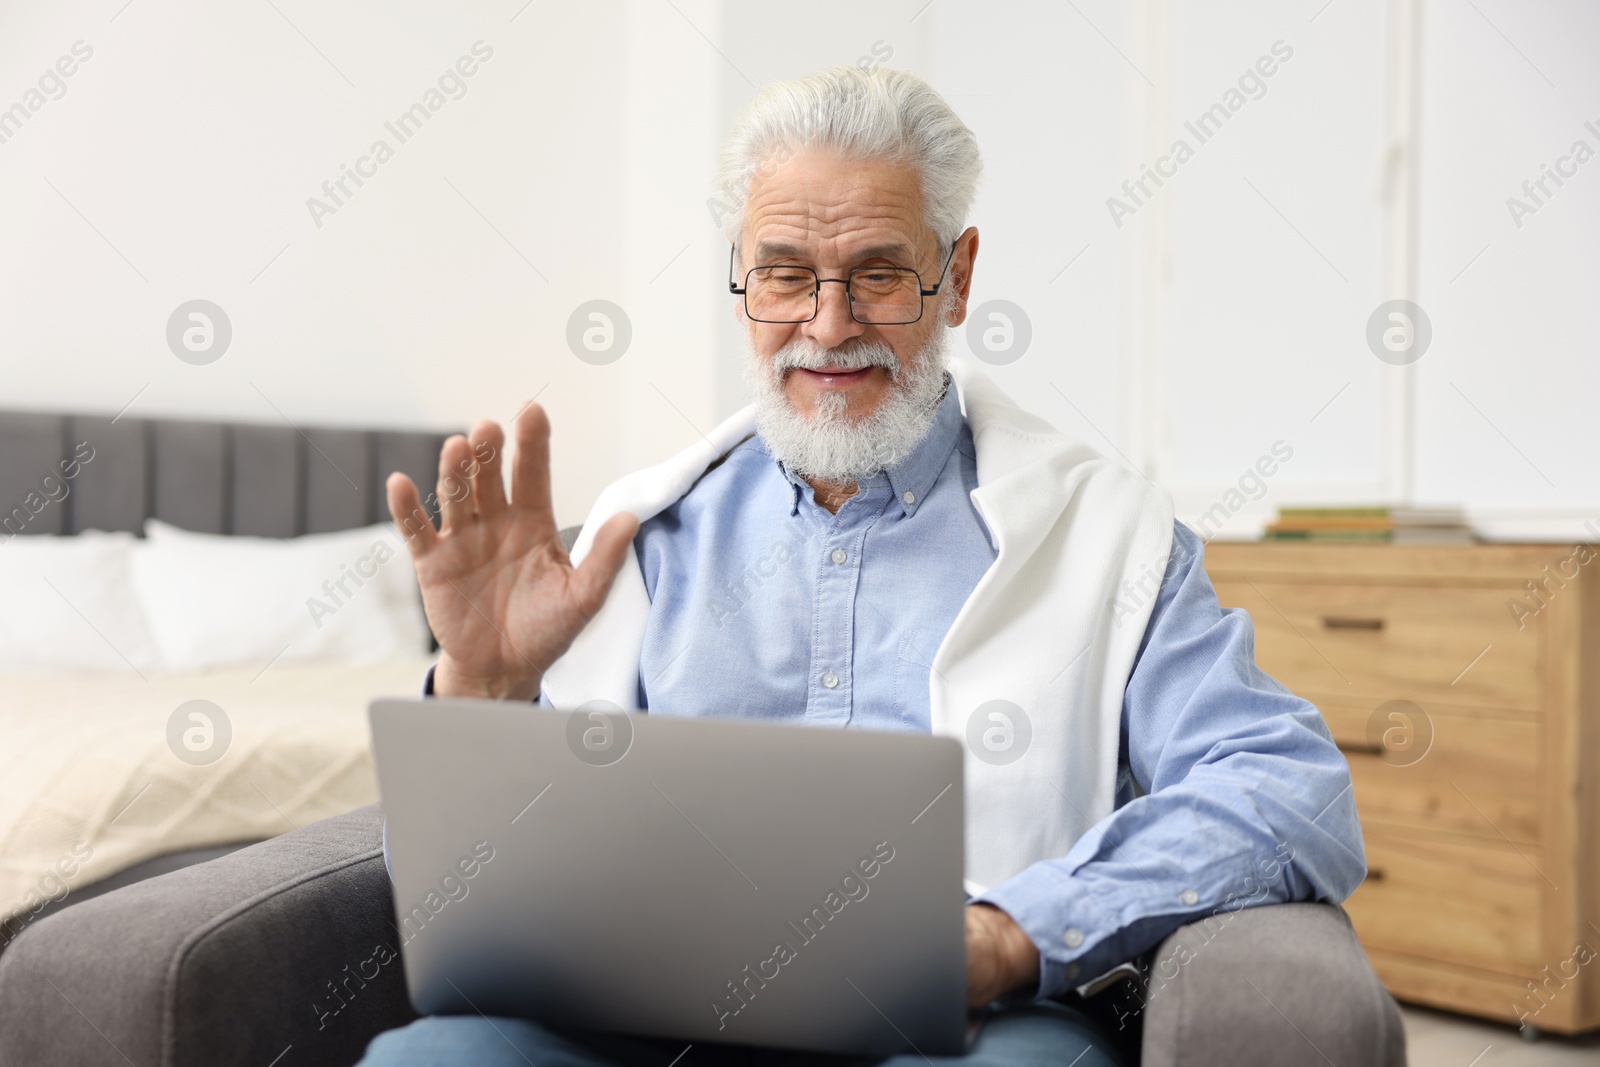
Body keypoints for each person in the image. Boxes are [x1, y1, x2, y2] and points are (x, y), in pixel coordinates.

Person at [362, 65, 1396, 1067]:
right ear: (740, 281)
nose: (827, 325)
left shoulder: (1103, 533)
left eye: (877, 273)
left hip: (977, 1021)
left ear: (957, 276)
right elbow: (493, 895)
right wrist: (485, 691)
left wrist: (1008, 933)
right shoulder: (637, 539)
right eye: (785, 274)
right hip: (652, 1021)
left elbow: (1285, 787)